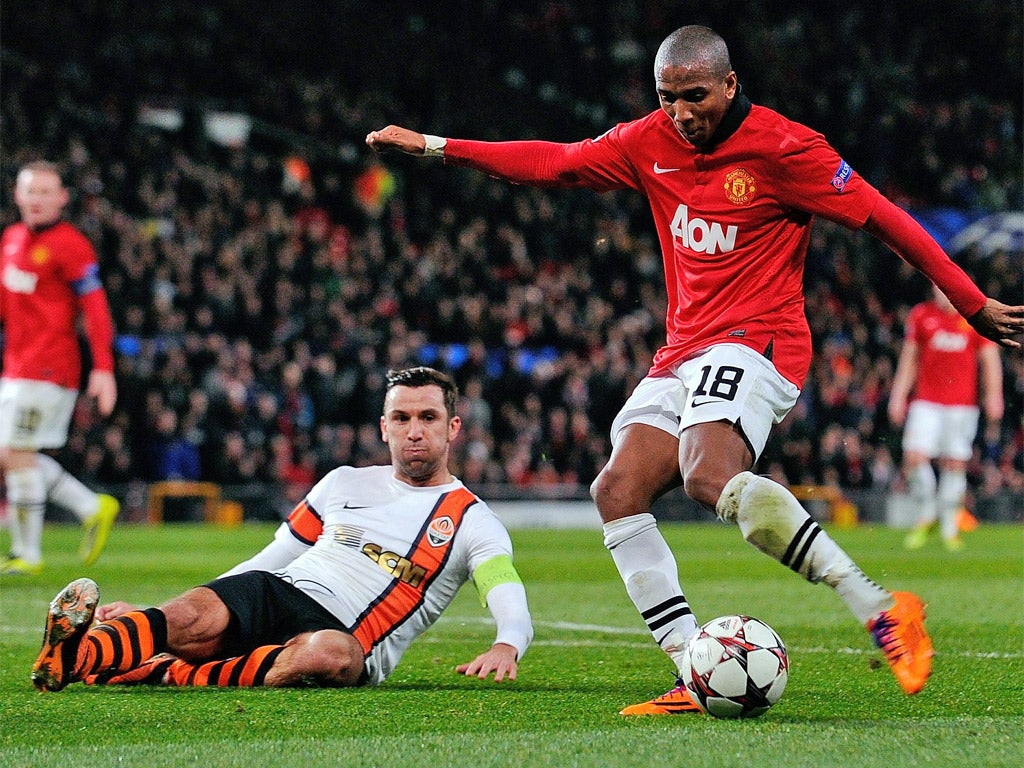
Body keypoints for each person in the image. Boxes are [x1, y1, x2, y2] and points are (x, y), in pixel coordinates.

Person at [366, 25, 1024, 712]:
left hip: (760, 339)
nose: (682, 114)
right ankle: (694, 670)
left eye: (696, 97)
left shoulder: (787, 148)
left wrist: (970, 303)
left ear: (731, 84)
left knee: (708, 473)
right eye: (668, 98)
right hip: (683, 350)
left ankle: (883, 608)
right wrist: (438, 147)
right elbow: (554, 162)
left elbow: (887, 219)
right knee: (616, 490)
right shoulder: (649, 140)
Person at [32, 366, 533, 691]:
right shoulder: (342, 482)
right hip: (278, 591)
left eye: (428, 417)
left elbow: (504, 588)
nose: (414, 430)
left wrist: (507, 642)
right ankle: (76, 658)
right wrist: (201, 599)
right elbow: (270, 560)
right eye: (401, 418)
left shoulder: (470, 519)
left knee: (329, 657)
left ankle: (163, 668)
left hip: (345, 636)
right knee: (194, 614)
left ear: (453, 427)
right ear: (384, 427)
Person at [0, 160, 120, 575]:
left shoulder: (71, 245)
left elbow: (95, 307)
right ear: (17, 195)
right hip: (16, 366)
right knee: (12, 454)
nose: (36, 199)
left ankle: (27, 554)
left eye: (45, 192)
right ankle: (90, 505)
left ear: (62, 198)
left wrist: (103, 367)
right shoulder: (12, 239)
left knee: (16, 453)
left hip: (50, 367)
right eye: (29, 191)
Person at [888, 285, 1003, 551]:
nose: (945, 297)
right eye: (940, 291)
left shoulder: (973, 318)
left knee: (955, 463)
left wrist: (994, 396)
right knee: (914, 456)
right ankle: (927, 514)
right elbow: (909, 359)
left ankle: (950, 527)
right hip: (926, 401)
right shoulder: (921, 315)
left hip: (962, 406)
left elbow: (990, 359)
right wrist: (898, 396)